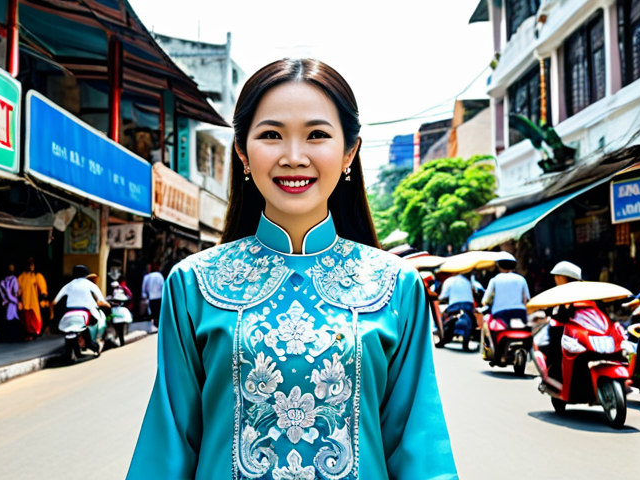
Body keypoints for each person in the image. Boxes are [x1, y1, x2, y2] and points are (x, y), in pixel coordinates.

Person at [127, 59, 456, 480]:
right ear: (243, 152)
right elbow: (169, 445)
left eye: (317, 135)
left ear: (349, 152)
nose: (294, 157)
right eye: (271, 135)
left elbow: (419, 449)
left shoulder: (396, 285)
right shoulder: (193, 285)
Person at [52, 265, 110, 355]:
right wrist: (106, 304)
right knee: (92, 323)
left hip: (69, 313)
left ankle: (82, 345)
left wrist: (52, 307)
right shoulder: (89, 284)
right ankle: (92, 343)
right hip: (86, 313)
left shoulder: (69, 284)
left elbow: (56, 300)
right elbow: (101, 299)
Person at [482, 253, 531, 326]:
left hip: (500, 313)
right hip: (520, 312)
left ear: (499, 266)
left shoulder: (494, 280)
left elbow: (485, 301)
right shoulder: (521, 279)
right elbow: (527, 299)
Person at [18, 257, 48, 340]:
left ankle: (35, 333)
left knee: (36, 319)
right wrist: (19, 301)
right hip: (25, 303)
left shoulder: (37, 276)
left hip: (34, 303)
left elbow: (43, 289)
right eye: (29, 264)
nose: (31, 266)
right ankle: (28, 334)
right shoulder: (21, 277)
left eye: (32, 264)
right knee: (26, 320)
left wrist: (43, 299)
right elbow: (18, 290)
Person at [0, 264, 21, 343]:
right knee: (11, 321)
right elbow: (15, 292)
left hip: (9, 303)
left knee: (10, 321)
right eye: (10, 268)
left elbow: (14, 292)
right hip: (10, 303)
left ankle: (10, 338)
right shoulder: (8, 280)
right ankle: (11, 338)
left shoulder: (8, 280)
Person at [141, 264, 164, 329]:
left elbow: (143, 288)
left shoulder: (147, 277)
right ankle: (160, 326)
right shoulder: (159, 275)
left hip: (151, 298)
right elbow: (163, 286)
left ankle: (156, 325)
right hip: (159, 297)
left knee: (153, 314)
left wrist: (144, 295)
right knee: (159, 313)